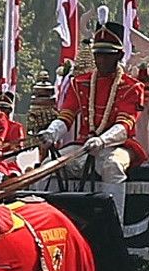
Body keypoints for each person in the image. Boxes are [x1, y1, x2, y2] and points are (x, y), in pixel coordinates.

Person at [49, 13, 143, 211]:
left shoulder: (131, 87)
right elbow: (66, 115)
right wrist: (52, 132)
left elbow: (124, 126)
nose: (101, 60)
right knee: (48, 165)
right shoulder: (81, 82)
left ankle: (114, 224)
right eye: (98, 54)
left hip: (119, 146)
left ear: (119, 55)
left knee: (113, 166)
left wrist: (102, 141)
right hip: (84, 143)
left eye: (107, 55)